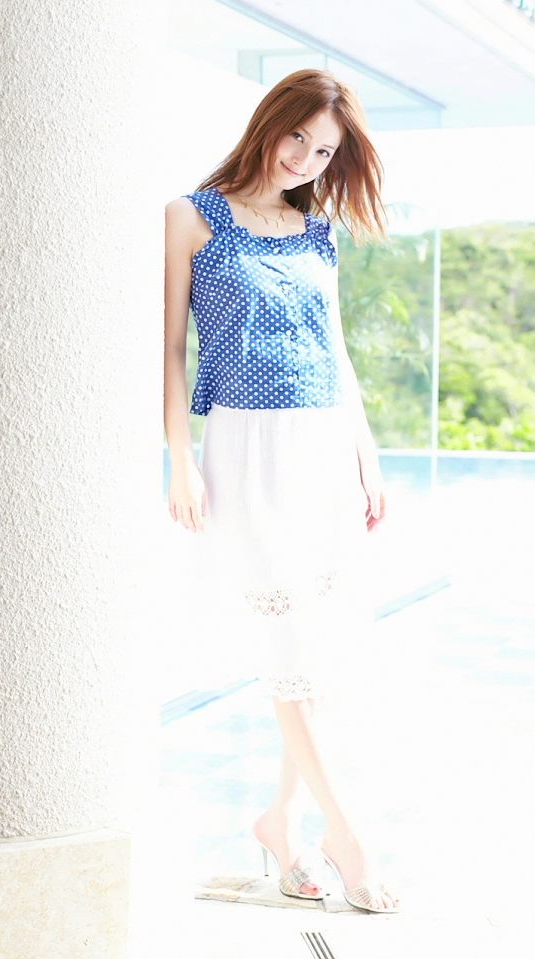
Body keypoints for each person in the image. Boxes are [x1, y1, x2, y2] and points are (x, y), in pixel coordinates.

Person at [163, 68, 400, 914]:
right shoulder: (192, 217)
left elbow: (336, 352)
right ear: (270, 124)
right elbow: (169, 349)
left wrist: (367, 453)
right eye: (298, 136)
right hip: (245, 447)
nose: (305, 158)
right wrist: (179, 458)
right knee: (288, 647)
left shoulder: (317, 234)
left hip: (325, 444)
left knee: (319, 652)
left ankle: (280, 822)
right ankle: (347, 836)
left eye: (324, 151)